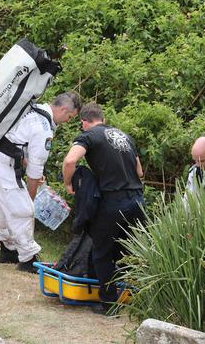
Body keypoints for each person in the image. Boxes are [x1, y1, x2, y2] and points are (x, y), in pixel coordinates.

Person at [0, 92, 81, 273]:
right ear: (63, 109)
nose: (68, 121)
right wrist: (30, 198)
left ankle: (7, 250)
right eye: (70, 117)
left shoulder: (32, 108)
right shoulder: (43, 127)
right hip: (1, 164)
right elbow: (35, 170)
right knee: (23, 210)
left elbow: (16, 141)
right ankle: (28, 258)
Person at [62, 103, 145, 314]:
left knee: (102, 252)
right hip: (137, 201)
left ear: (84, 122)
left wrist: (68, 183)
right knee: (126, 251)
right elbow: (140, 172)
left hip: (114, 202)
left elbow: (70, 160)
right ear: (103, 119)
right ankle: (133, 295)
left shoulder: (88, 136)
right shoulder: (125, 137)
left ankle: (108, 304)